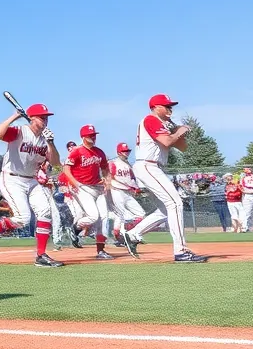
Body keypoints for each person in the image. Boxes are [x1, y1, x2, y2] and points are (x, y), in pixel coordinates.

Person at [124, 95, 207, 262]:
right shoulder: (151, 119)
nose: (170, 109)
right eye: (166, 105)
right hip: (148, 166)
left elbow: (182, 147)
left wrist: (176, 131)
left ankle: (133, 234)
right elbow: (167, 142)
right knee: (175, 203)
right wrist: (180, 130)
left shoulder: (161, 124)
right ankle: (181, 251)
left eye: (171, 106)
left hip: (152, 167)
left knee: (164, 210)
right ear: (155, 107)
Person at [0, 103, 62, 267]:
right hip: (12, 178)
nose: (45, 120)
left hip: (31, 180)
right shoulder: (20, 131)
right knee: (23, 218)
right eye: (41, 117)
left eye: (46, 118)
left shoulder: (45, 139)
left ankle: (41, 255)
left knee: (45, 211)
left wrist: (51, 143)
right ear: (31, 118)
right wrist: (14, 116)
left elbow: (56, 162)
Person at [60, 125, 115, 259]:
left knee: (103, 219)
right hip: (83, 187)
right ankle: (75, 228)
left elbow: (105, 169)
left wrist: (108, 183)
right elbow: (66, 169)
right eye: (90, 135)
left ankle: (100, 251)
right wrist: (75, 183)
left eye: (94, 135)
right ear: (83, 137)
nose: (93, 137)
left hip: (98, 188)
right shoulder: (77, 151)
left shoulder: (99, 152)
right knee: (93, 216)